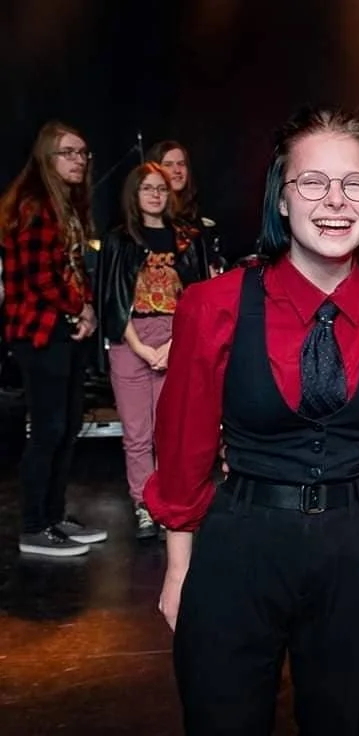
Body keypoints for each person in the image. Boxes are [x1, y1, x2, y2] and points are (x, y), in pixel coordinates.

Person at [143, 107, 359, 735]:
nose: (334, 201)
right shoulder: (211, 304)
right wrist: (178, 568)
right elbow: (184, 447)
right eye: (312, 182)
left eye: (354, 183)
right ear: (282, 198)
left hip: (354, 549)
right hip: (241, 544)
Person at [0, 121, 107, 557]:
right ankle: (33, 526)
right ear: (47, 158)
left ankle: (54, 516)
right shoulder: (33, 206)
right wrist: (78, 308)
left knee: (66, 429)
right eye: (69, 152)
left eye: (83, 153)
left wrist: (86, 312)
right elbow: (42, 279)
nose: (79, 160)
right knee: (48, 430)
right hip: (38, 332)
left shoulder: (68, 208)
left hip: (64, 330)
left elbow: (74, 271)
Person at [96, 162, 214, 539]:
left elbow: (199, 298)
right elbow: (112, 299)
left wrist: (174, 343)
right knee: (136, 431)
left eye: (161, 188)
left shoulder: (187, 238)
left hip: (175, 334)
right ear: (134, 193)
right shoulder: (119, 239)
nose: (155, 194)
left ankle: (168, 503)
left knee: (171, 430)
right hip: (131, 336)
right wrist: (142, 348)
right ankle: (143, 504)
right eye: (147, 188)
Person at [146, 140, 228, 273]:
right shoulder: (146, 220)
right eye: (168, 165)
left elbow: (209, 268)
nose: (177, 170)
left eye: (181, 164)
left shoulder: (193, 218)